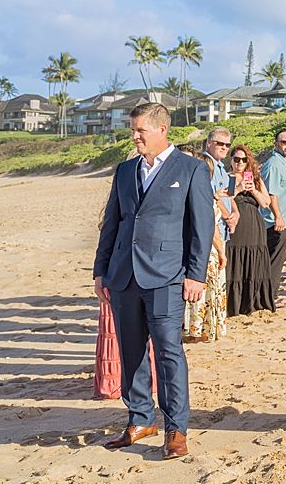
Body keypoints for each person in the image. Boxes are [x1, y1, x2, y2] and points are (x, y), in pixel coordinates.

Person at [93, 102, 214, 460]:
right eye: (133, 130)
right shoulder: (125, 169)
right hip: (123, 276)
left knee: (168, 353)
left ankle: (176, 428)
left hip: (167, 276)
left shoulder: (192, 169)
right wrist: (101, 270)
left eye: (140, 131)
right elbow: (111, 224)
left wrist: (196, 274)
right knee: (131, 352)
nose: (134, 137)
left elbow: (201, 228)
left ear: (162, 130)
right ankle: (140, 418)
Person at [226, 144, 277, 316]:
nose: (240, 163)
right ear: (231, 161)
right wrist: (239, 188)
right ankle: (235, 304)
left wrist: (253, 189)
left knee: (254, 259)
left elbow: (265, 203)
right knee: (236, 260)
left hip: (254, 223)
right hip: (237, 225)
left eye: (243, 159)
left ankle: (254, 301)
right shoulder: (228, 178)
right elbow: (225, 199)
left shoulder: (255, 178)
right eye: (236, 159)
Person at [182, 152, 228, 343]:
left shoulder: (197, 192)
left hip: (198, 248)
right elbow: (212, 228)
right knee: (207, 291)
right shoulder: (204, 194)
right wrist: (222, 252)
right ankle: (200, 330)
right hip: (207, 250)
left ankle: (195, 328)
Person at [260, 130, 286, 303]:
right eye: (284, 142)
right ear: (276, 144)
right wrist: (278, 216)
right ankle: (270, 297)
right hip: (276, 222)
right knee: (273, 261)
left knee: (278, 258)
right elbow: (271, 194)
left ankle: (269, 295)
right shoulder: (274, 164)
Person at [202, 127, 237, 235]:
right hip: (212, 228)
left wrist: (236, 212)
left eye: (227, 145)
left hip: (223, 228)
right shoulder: (204, 164)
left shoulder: (221, 167)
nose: (224, 148)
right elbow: (212, 197)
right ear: (209, 143)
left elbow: (228, 195)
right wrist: (229, 219)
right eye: (220, 144)